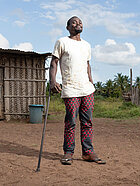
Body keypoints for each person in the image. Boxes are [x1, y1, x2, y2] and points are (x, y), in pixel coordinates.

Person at [49, 16, 106, 165]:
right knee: (71, 122)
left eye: (80, 22)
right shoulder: (62, 42)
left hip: (86, 89)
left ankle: (88, 152)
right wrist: (53, 81)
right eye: (74, 22)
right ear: (68, 27)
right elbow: (54, 62)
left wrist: (91, 81)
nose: (78, 23)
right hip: (70, 89)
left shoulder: (86, 45)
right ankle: (68, 152)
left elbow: (87, 64)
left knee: (87, 122)